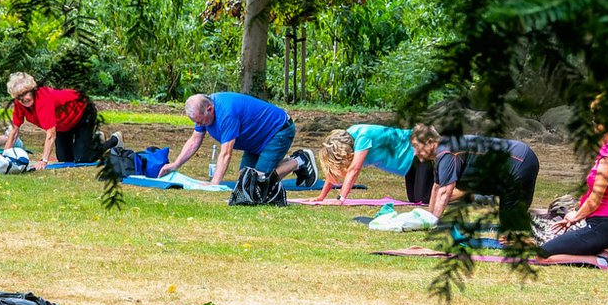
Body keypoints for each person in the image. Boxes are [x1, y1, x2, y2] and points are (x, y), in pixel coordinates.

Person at [536, 102, 608, 261]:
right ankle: (607, 253)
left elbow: (596, 199)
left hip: (604, 226)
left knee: (542, 255)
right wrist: (576, 213)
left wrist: (574, 217)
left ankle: (607, 261)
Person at [158, 92, 316, 186]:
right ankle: (292, 160)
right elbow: (195, 140)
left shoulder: (227, 113)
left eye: (200, 121)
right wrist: (175, 165)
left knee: (258, 183)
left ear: (209, 109)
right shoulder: (205, 112)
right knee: (244, 180)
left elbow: (226, 154)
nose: (199, 125)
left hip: (278, 131)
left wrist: (214, 184)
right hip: (255, 141)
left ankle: (300, 161)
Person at [409, 124, 540, 229]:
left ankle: (547, 228)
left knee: (512, 228)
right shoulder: (441, 152)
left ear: (430, 142)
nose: (414, 152)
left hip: (520, 161)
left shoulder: (447, 151)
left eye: (416, 146)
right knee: (507, 224)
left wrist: (433, 223)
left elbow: (445, 192)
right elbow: (437, 188)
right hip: (509, 170)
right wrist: (428, 218)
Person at [0, 73, 109, 169]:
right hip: (63, 124)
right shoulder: (19, 104)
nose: (23, 99)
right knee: (64, 159)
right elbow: (14, 131)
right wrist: (5, 157)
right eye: (19, 96)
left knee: (81, 159)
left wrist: (43, 161)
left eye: (25, 93)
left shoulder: (43, 99)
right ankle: (89, 141)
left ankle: (108, 140)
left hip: (83, 112)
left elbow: (51, 134)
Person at [308, 124, 431, 205]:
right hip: (408, 163)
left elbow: (354, 169)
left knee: (425, 199)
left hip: (419, 150)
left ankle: (448, 190)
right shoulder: (348, 138)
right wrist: (321, 197)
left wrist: (340, 199)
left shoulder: (363, 136)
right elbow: (333, 171)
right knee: (416, 199)